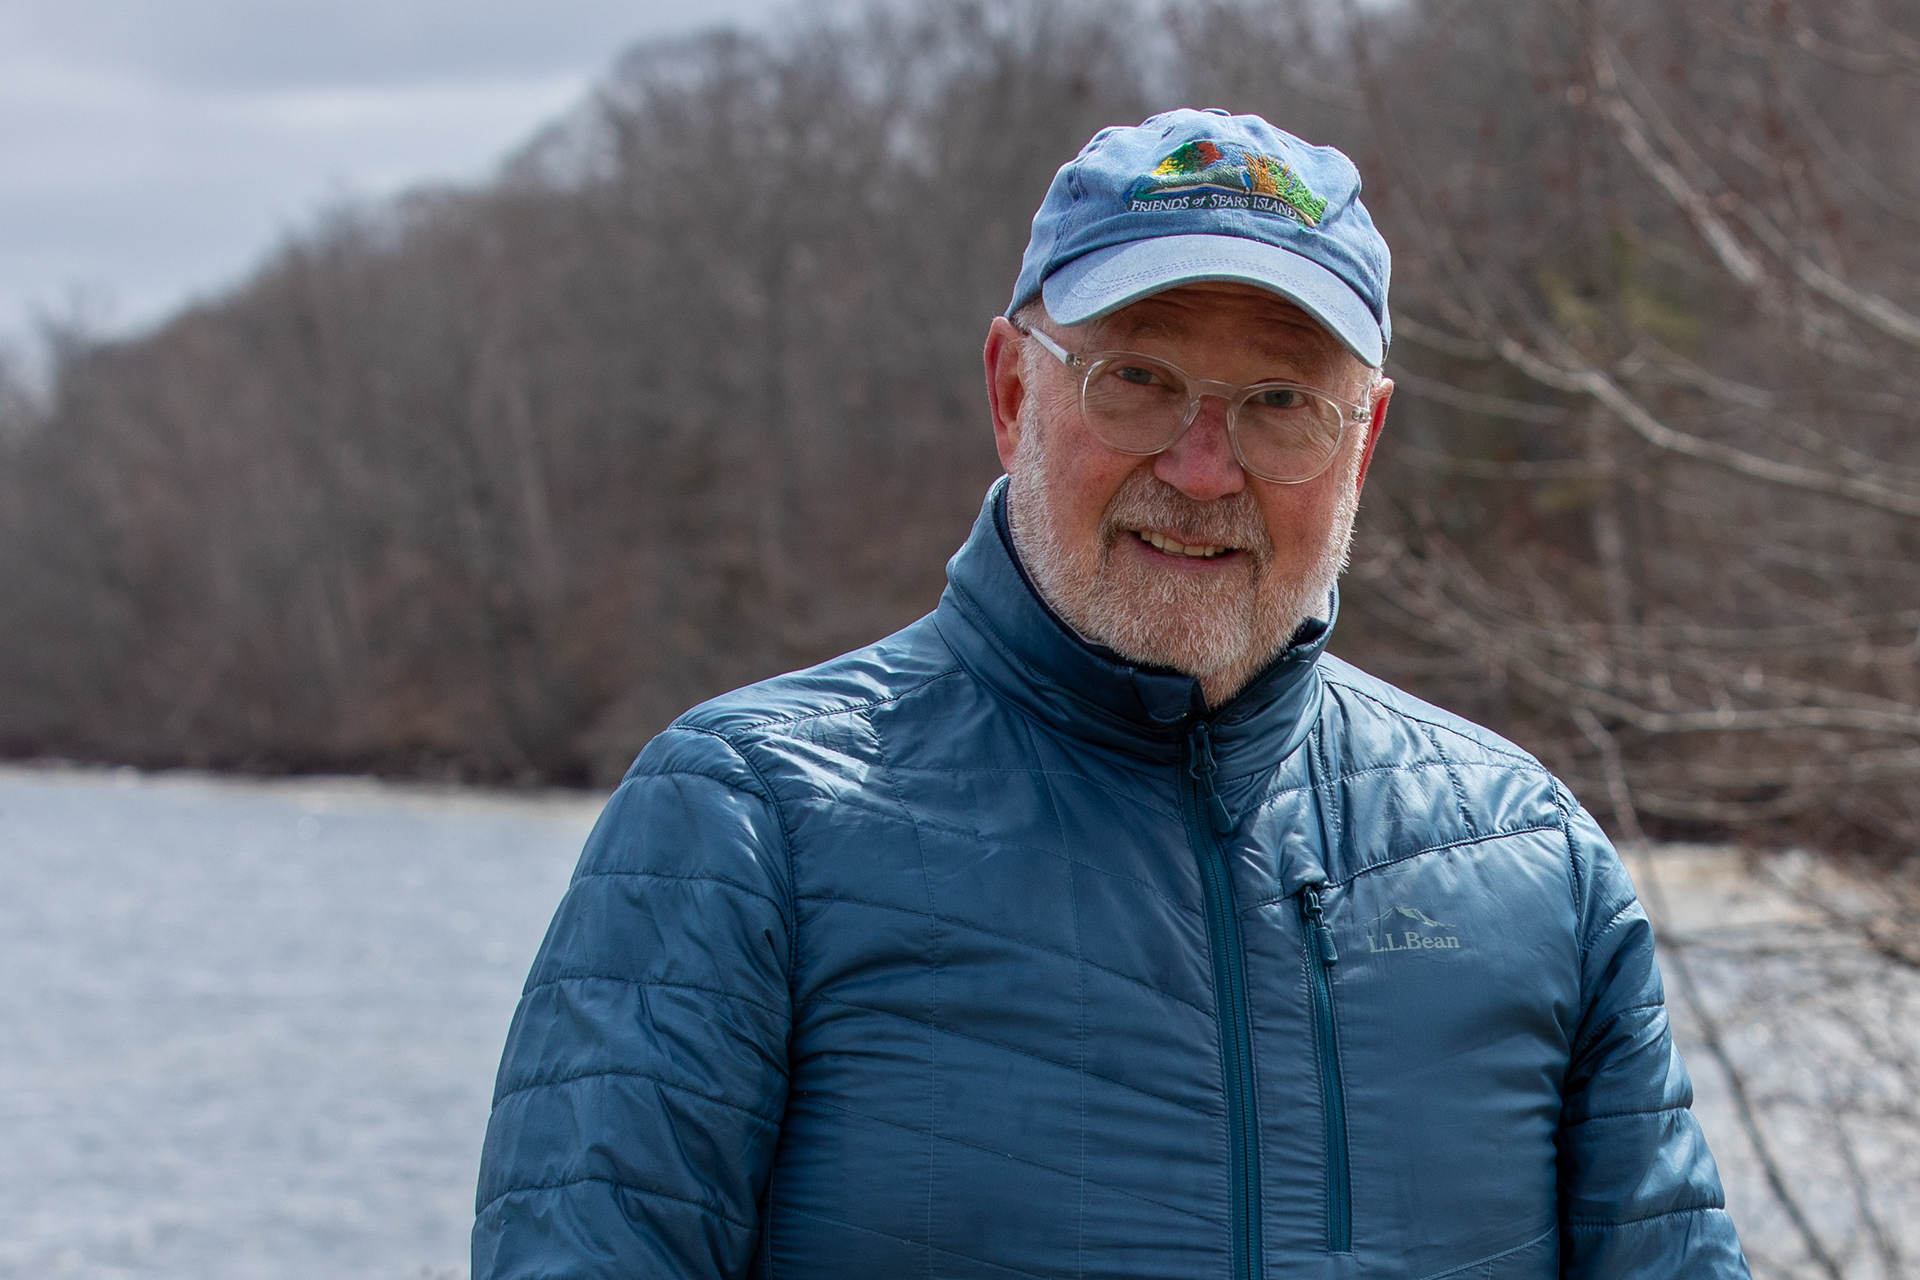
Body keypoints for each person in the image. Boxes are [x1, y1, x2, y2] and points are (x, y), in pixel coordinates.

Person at [473, 109, 1749, 1279]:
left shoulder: (1529, 860)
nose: (1202, 469)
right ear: (1013, 389)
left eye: (1282, 403)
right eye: (1137, 378)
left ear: (1362, 443)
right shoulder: (745, 829)